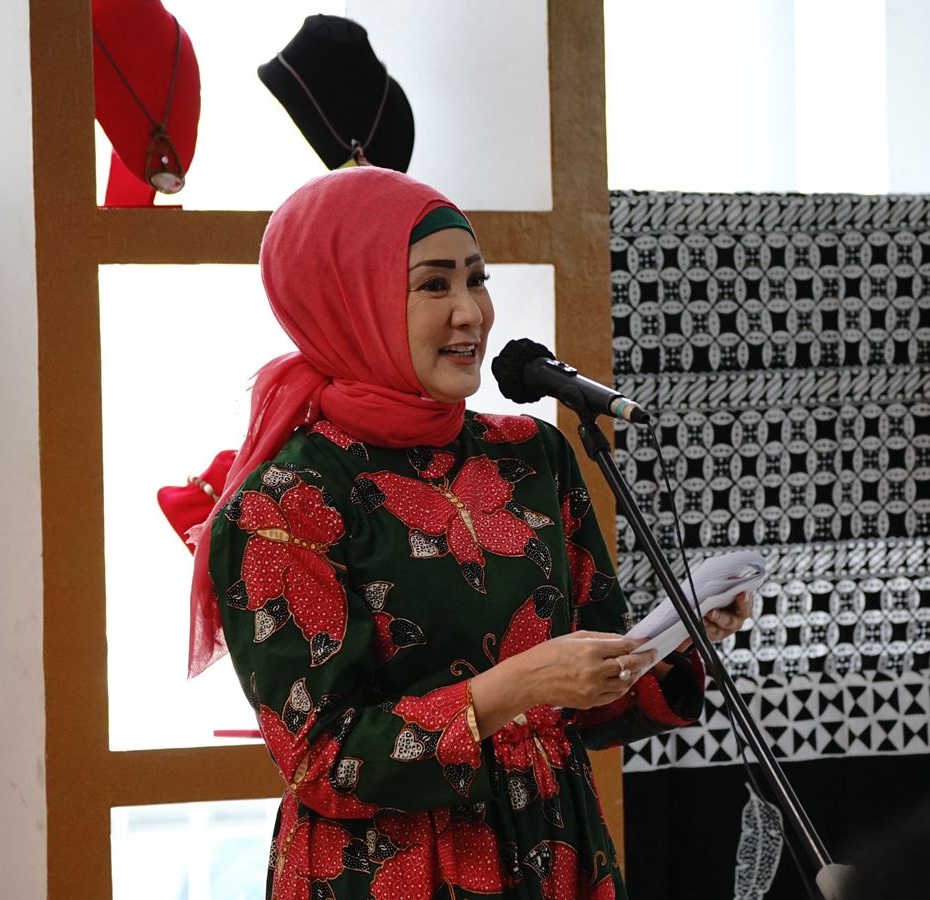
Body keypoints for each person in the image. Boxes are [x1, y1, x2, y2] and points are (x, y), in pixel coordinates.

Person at [185, 166, 751, 899]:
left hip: (555, 845)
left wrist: (670, 642)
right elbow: (324, 761)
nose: (470, 312)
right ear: (345, 301)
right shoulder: (285, 502)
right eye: (433, 284)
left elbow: (588, 700)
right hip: (392, 872)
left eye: (477, 279)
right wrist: (514, 688)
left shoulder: (532, 455)